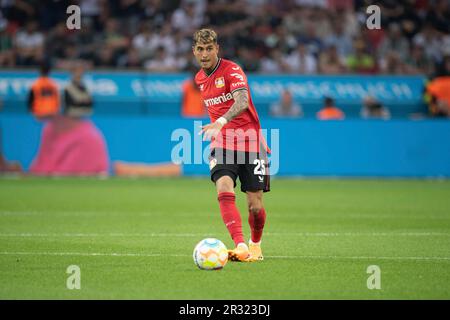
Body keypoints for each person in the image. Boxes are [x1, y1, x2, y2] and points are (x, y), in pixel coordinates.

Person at [193, 28, 269, 262]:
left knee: (255, 206)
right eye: (200, 49)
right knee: (224, 186)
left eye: (209, 48)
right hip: (223, 143)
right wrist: (218, 127)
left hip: (251, 143)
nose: (204, 54)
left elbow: (243, 101)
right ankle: (240, 246)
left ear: (217, 49)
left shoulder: (232, 70)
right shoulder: (199, 78)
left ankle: (254, 244)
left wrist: (221, 121)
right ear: (194, 51)